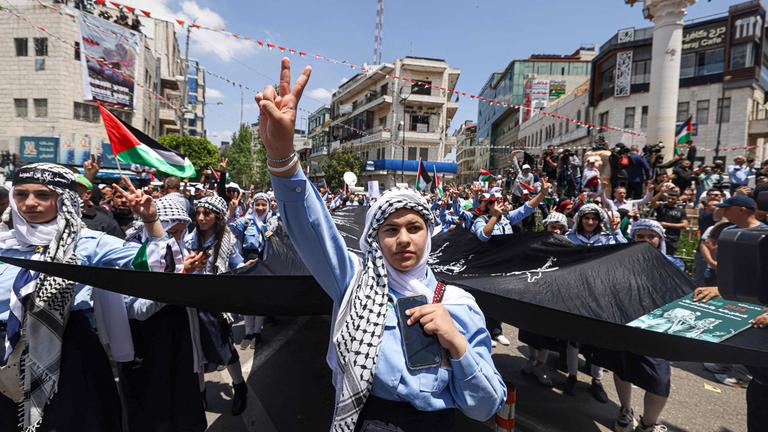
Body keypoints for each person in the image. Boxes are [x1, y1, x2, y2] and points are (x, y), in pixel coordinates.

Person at [256, 58, 506, 431]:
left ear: (428, 233)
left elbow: (485, 406)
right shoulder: (356, 286)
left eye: (414, 227)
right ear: (375, 238)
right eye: (390, 230)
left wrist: (455, 342)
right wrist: (282, 157)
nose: (404, 239)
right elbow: (313, 228)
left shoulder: (458, 304)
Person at [0, 164, 169, 431]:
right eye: (21, 194)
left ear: (63, 199)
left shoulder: (87, 242)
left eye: (42, 195)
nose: (29, 203)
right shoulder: (5, 244)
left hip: (66, 353)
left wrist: (150, 220)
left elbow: (155, 266)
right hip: (6, 354)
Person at [122, 198, 207, 432]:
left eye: (181, 233)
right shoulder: (132, 254)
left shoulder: (181, 250)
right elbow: (135, 310)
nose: (177, 239)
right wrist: (178, 282)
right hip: (147, 349)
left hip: (180, 344)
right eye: (173, 233)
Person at [185, 195, 251, 416]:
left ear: (218, 216)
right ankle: (200, 394)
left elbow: (236, 264)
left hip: (216, 305)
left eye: (207, 214)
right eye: (198, 213)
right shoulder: (189, 239)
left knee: (224, 349)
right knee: (196, 352)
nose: (201, 218)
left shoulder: (227, 239)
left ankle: (240, 387)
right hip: (191, 303)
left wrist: (246, 267)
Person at [229, 192, 277, 348]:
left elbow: (285, 227)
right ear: (253, 205)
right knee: (247, 299)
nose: (261, 208)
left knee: (260, 299)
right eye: (258, 204)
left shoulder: (272, 221)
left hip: (265, 263)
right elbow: (228, 227)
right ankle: (248, 333)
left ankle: (257, 333)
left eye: (264, 204)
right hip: (248, 263)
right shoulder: (246, 221)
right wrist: (231, 211)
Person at [651, 189, 688, 256]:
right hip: (659, 237)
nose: (670, 200)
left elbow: (685, 225)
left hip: (672, 239)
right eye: (668, 198)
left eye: (673, 199)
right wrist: (661, 192)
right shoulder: (662, 207)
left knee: (668, 258)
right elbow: (653, 201)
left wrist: (667, 224)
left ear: (677, 199)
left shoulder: (681, 211)